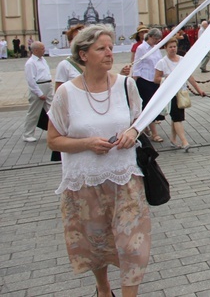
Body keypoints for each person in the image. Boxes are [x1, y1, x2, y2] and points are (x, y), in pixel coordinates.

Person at [47, 25, 150, 297]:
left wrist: (132, 131)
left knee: (133, 246)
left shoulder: (127, 85)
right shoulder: (66, 93)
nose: (109, 53)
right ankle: (103, 288)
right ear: (83, 55)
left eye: (110, 47)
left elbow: (139, 122)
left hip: (125, 179)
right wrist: (87, 143)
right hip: (84, 184)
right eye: (101, 48)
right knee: (97, 245)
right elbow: (53, 140)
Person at [154, 38, 205, 151]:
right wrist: (166, 78)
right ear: (166, 48)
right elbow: (156, 79)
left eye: (174, 46)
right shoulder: (162, 62)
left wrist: (198, 89)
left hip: (181, 92)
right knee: (177, 118)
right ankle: (184, 141)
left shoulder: (182, 60)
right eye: (170, 47)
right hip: (170, 93)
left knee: (176, 117)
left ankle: (173, 139)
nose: (173, 49)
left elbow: (189, 76)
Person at [132, 28, 165, 142]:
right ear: (150, 37)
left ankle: (146, 127)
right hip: (144, 80)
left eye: (158, 39)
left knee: (154, 106)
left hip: (155, 80)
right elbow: (137, 63)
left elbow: (160, 63)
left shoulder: (156, 48)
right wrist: (134, 80)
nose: (157, 41)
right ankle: (154, 133)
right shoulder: (141, 48)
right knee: (148, 107)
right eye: (155, 39)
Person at [23, 41, 52, 142]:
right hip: (39, 87)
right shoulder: (30, 63)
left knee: (53, 110)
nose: (44, 50)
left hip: (48, 85)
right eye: (42, 48)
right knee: (34, 113)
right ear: (35, 50)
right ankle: (27, 134)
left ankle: (56, 131)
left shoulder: (43, 60)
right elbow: (31, 80)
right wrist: (39, 93)